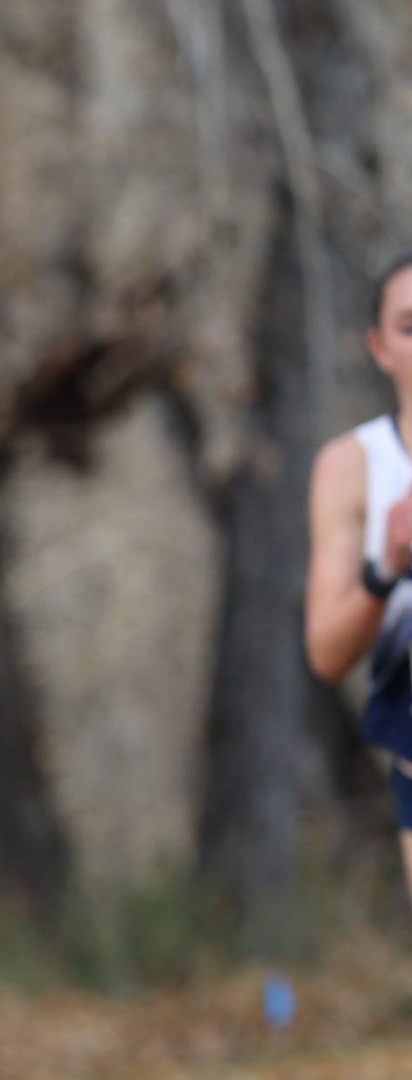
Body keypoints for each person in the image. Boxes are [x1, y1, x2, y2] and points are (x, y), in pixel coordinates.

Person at [305, 247, 412, 909]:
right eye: (411, 325)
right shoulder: (354, 467)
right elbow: (326, 653)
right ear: (379, 347)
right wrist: (387, 568)